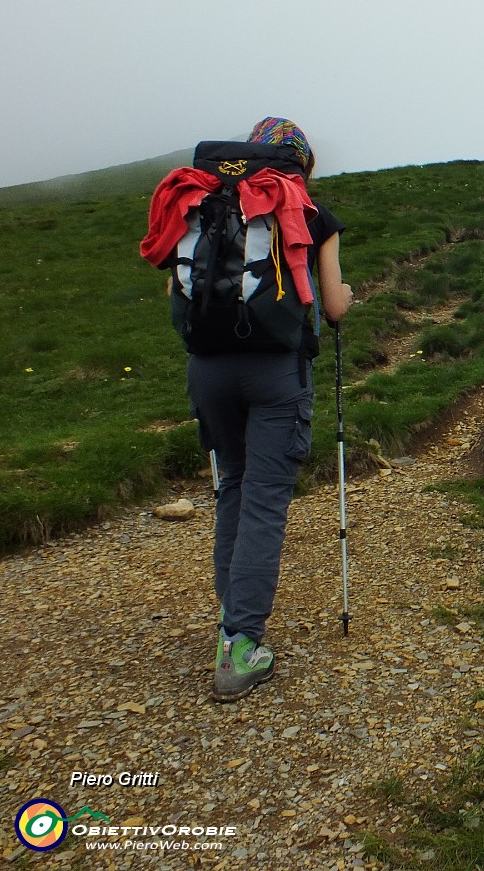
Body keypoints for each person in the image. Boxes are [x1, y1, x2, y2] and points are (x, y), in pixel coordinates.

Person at [153, 117, 354, 701]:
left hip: (208, 369)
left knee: (234, 489)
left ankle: (230, 626)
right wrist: (350, 299)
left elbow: (177, 295)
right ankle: (242, 646)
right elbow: (334, 307)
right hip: (274, 372)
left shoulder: (200, 202)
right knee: (266, 498)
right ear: (301, 164)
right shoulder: (308, 212)